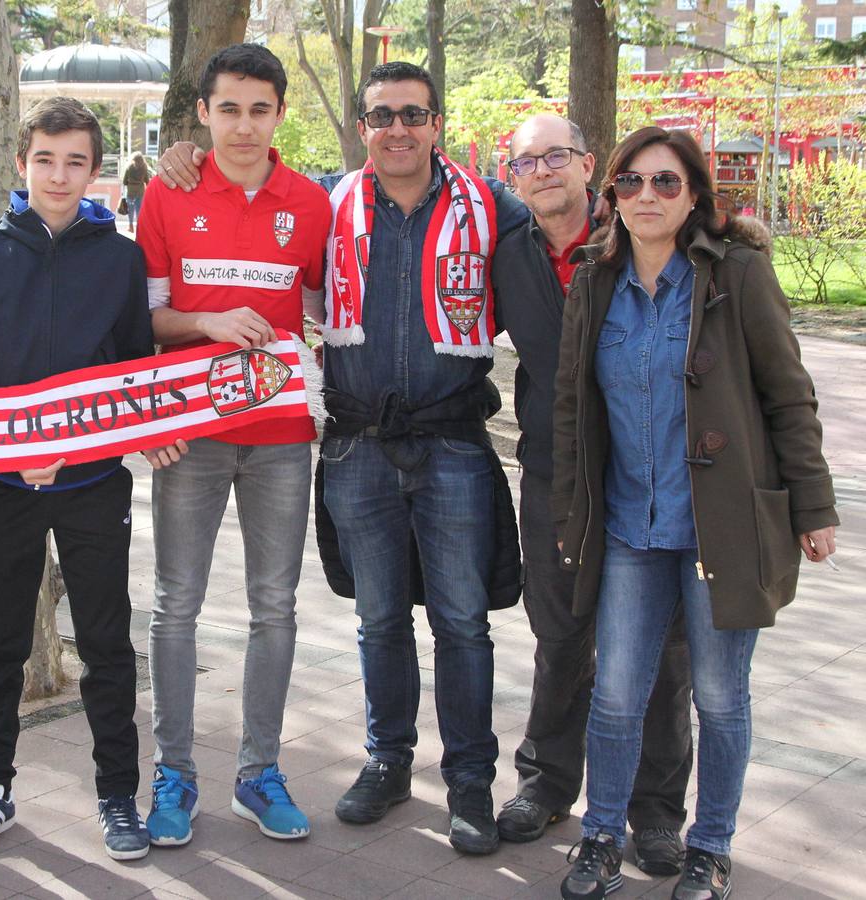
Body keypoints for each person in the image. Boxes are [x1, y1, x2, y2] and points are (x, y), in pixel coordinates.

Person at [553, 127, 838, 900]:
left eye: (666, 183)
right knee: (615, 693)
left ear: (693, 195)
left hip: (721, 527)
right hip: (626, 530)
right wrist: (567, 512)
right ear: (609, 195)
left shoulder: (736, 275)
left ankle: (709, 847)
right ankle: (600, 836)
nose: (646, 197)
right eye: (631, 183)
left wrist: (813, 506)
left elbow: (789, 396)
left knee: (718, 696)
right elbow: (572, 408)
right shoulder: (592, 280)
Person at [0, 96, 156, 863]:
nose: (60, 175)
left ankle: (117, 794)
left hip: (92, 484)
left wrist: (123, 435)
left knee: (105, 641)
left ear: (96, 171)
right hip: (4, 487)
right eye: (45, 159)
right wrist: (6, 452)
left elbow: (129, 371)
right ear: (20, 165)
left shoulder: (119, 257)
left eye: (76, 161)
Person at [313, 61, 528, 856]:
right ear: (361, 125)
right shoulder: (325, 206)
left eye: (412, 114)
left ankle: (469, 780)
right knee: (377, 621)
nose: (396, 129)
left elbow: (561, 245)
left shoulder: (492, 207)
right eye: (380, 116)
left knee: (462, 623)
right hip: (357, 443)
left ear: (436, 122)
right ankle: (387, 760)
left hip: (453, 445)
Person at [135, 43, 331, 846]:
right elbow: (142, 321)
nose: (243, 125)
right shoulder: (168, 191)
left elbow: (326, 313)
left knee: (273, 609)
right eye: (228, 109)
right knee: (174, 606)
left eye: (259, 109)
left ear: (279, 114)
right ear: (204, 114)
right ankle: (173, 774)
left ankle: (258, 772)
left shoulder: (313, 204)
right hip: (189, 437)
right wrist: (204, 324)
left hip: (282, 439)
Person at [492, 114, 694, 876]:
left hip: (651, 476)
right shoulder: (507, 255)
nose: (541, 171)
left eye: (556, 157)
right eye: (525, 162)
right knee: (561, 635)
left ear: (587, 167)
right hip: (555, 473)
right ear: (511, 177)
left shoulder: (639, 236)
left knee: (662, 653)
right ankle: (546, 784)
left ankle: (654, 813)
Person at [121, 151, 152, 231]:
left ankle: (130, 226)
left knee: (130, 210)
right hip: (140, 192)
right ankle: (139, 227)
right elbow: (147, 181)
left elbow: (124, 181)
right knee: (139, 210)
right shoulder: (144, 167)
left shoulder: (129, 167)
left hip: (130, 192)